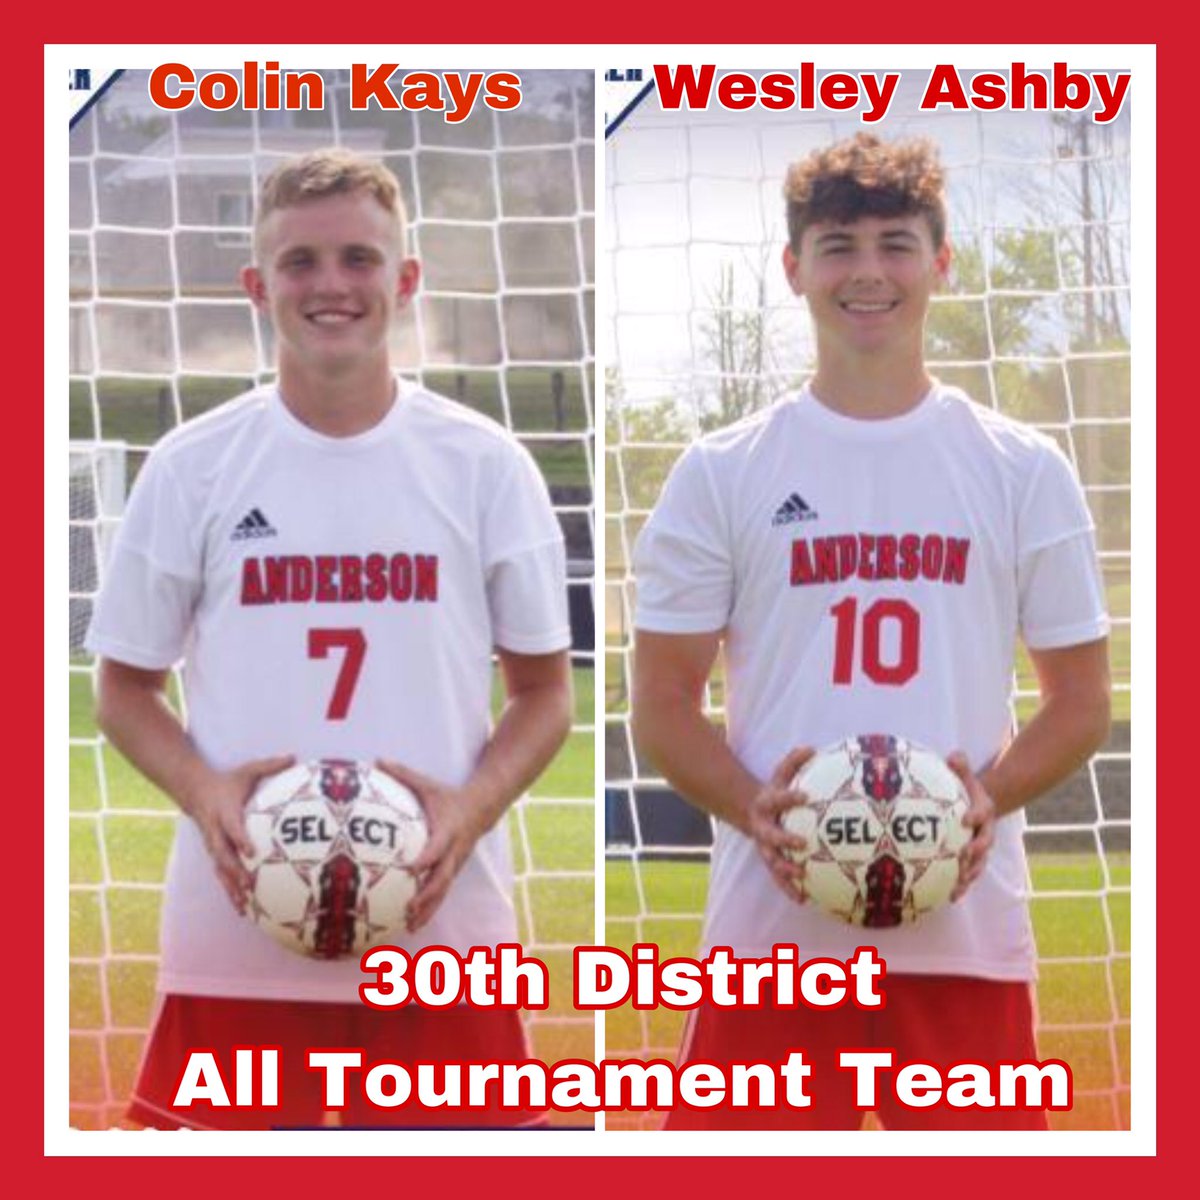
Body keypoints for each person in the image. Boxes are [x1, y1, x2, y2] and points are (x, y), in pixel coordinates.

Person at [630, 133, 1111, 1131]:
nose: (867, 272)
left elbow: (1081, 701)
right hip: (771, 946)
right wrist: (756, 807)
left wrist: (984, 798)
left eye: (896, 243)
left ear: (940, 262)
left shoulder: (1023, 468)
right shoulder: (721, 472)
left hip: (962, 937)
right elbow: (663, 706)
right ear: (794, 266)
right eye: (838, 244)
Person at [86, 148, 573, 1129]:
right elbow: (123, 687)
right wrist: (206, 790)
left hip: (442, 941)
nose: (332, 286)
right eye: (302, 263)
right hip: (236, 932)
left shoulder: (486, 467)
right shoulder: (192, 467)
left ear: (405, 280)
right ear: (258, 287)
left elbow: (545, 694)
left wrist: (470, 809)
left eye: (359, 258)